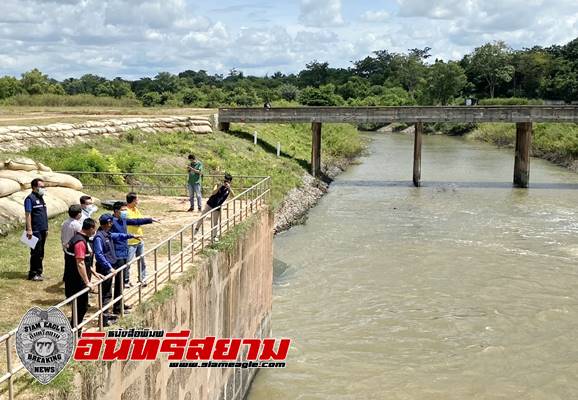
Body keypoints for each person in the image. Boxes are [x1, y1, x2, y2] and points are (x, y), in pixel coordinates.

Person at [94, 214, 139, 325]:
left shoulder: (107, 234)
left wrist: (131, 235)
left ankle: (107, 316)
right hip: (105, 268)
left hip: (110, 267)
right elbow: (99, 255)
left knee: (108, 293)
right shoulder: (99, 237)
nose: (112, 224)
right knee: (105, 294)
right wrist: (109, 267)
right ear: (106, 223)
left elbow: (118, 236)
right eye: (110, 222)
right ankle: (103, 320)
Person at [63, 218, 102, 332]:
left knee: (79, 306)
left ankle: (75, 328)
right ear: (90, 228)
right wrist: (87, 282)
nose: (95, 231)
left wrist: (94, 273)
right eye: (94, 228)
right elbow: (80, 263)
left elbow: (85, 262)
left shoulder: (78, 238)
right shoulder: (80, 242)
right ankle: (75, 330)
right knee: (81, 306)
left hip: (75, 277)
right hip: (77, 280)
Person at [125, 194, 159, 287]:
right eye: (137, 200)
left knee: (142, 260)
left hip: (139, 239)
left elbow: (139, 220)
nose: (138, 201)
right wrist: (150, 220)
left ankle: (143, 278)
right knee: (128, 262)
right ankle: (126, 280)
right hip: (130, 241)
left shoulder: (135, 209)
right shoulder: (125, 211)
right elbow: (135, 222)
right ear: (132, 201)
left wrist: (147, 220)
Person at [195, 173, 234, 241]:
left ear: (230, 181)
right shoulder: (218, 184)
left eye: (227, 181)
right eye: (225, 180)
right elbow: (213, 193)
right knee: (202, 217)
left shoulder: (228, 189)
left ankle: (214, 236)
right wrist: (220, 186)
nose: (226, 182)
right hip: (210, 203)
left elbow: (234, 196)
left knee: (215, 222)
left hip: (217, 206)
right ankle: (196, 231)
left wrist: (229, 188)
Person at [24, 178, 48, 281]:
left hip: (42, 229)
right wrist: (29, 229)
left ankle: (39, 272)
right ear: (34, 187)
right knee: (35, 252)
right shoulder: (30, 199)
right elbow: (28, 215)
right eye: (41, 187)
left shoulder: (41, 198)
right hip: (35, 230)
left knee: (41, 252)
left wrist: (46, 229)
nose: (43, 188)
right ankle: (32, 274)